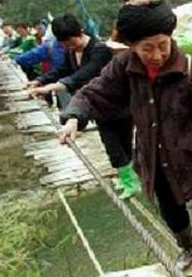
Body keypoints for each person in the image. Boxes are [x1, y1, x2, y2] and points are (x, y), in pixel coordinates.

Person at [58, 0, 192, 277]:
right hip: (154, 160)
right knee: (170, 211)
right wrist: (75, 117)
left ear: (171, 38)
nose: (156, 55)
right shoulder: (124, 67)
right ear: (131, 46)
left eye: (162, 45)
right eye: (147, 48)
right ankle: (186, 249)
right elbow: (94, 92)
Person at [28, 14, 140, 199]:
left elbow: (85, 74)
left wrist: (53, 87)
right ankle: (127, 178)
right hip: (96, 106)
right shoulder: (71, 51)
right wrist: (40, 80)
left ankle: (130, 180)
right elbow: (63, 69)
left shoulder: (99, 50)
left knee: (122, 143)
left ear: (79, 32)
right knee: (112, 144)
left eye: (71, 42)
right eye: (65, 44)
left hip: (117, 104)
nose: (69, 47)